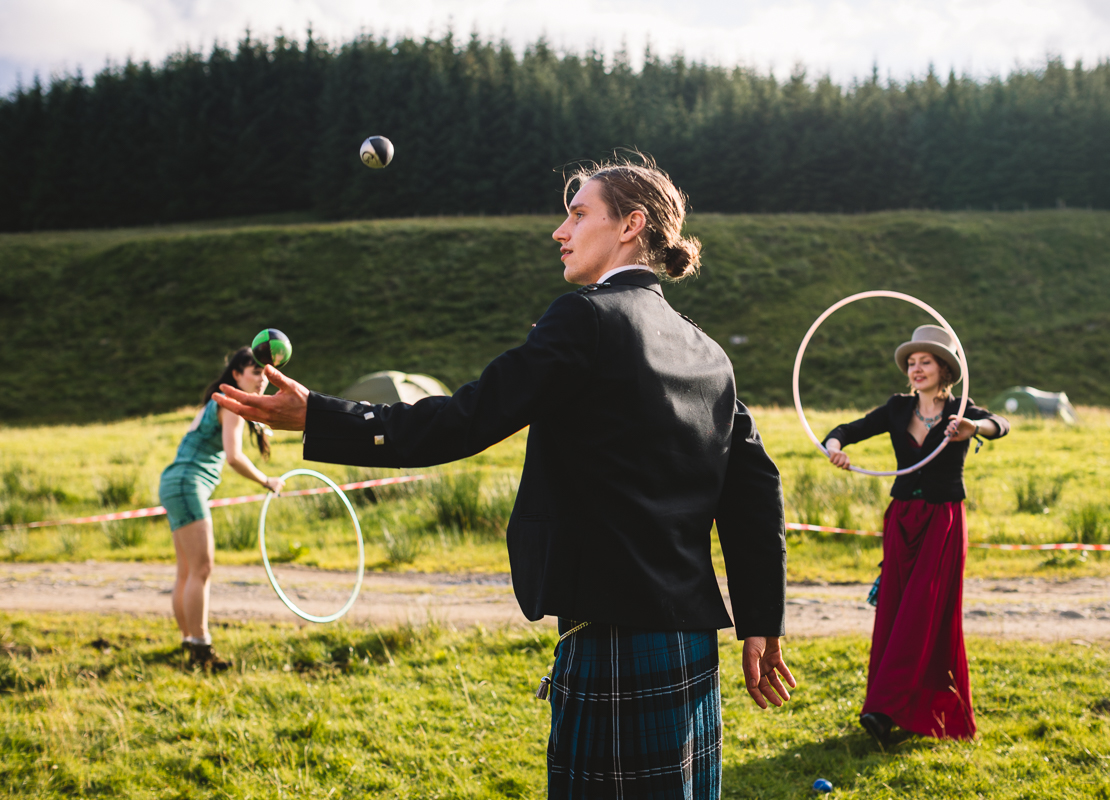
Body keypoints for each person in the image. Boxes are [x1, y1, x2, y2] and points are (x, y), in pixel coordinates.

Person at [216, 158, 795, 799]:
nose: (559, 231)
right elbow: (754, 492)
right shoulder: (707, 350)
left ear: (631, 226)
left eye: (578, 214)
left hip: (610, 634)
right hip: (690, 640)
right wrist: (761, 620)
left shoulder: (586, 319)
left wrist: (321, 416)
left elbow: (465, 419)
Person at [823, 325, 1009, 743]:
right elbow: (845, 429)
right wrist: (835, 446)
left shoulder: (963, 410)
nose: (916, 368)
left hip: (943, 522)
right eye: (911, 362)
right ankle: (892, 707)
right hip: (902, 521)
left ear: (944, 368)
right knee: (896, 608)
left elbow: (1002, 424)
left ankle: (885, 710)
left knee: (924, 612)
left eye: (925, 361)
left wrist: (973, 429)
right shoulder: (896, 407)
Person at [159, 347, 285, 670]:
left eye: (265, 374)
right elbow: (234, 456)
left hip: (174, 482)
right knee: (201, 569)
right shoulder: (231, 406)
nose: (261, 380)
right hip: (188, 484)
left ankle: (190, 641)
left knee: (187, 571)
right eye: (255, 372)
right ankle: (201, 651)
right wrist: (265, 480)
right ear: (236, 375)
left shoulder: (213, 401)